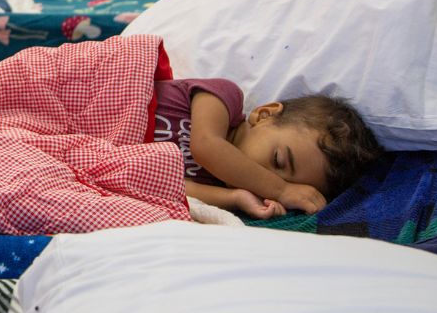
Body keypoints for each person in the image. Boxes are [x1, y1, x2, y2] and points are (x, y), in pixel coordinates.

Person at [154, 79, 383, 218]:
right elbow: (205, 145)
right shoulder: (224, 97)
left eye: (292, 185)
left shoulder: (216, 181)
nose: (263, 180)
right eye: (278, 160)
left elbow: (172, 189)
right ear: (265, 115)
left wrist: (235, 197)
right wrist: (282, 190)